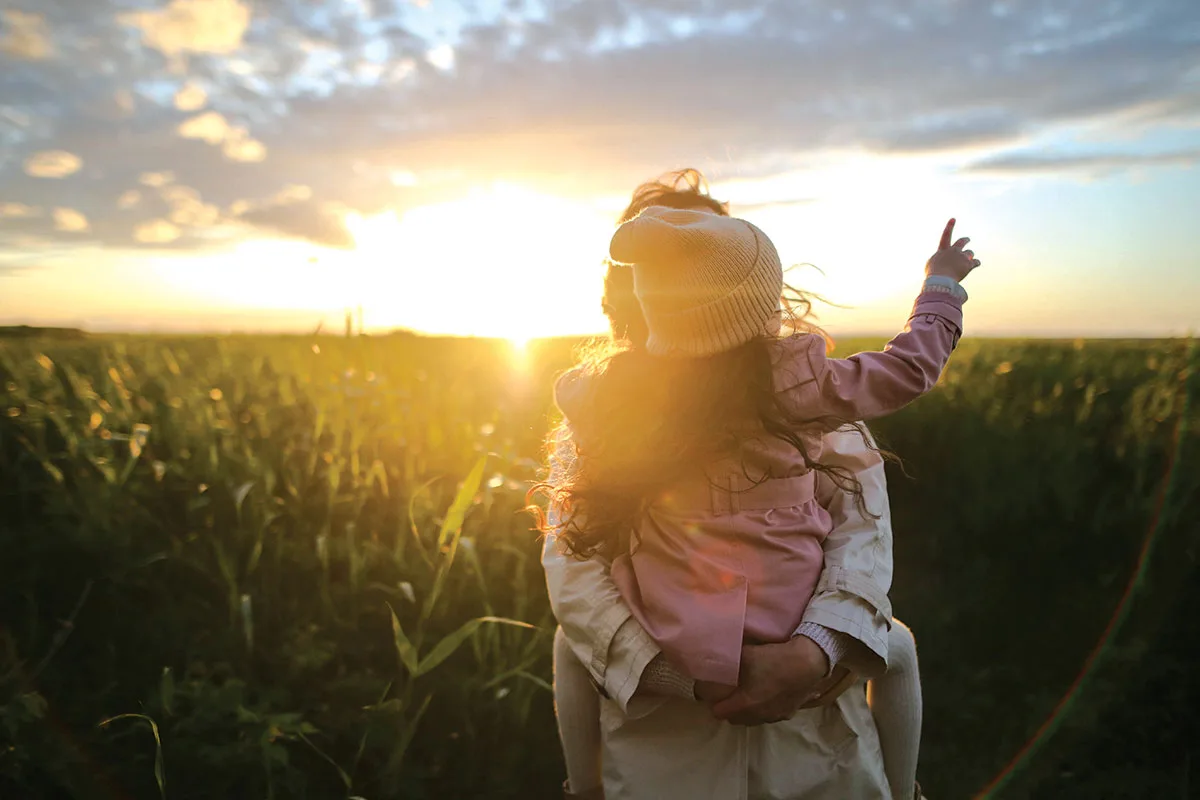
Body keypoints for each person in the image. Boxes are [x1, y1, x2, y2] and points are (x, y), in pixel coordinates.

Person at [540, 171, 974, 799]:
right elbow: (573, 568)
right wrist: (941, 289)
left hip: (813, 737)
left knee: (567, 650)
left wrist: (813, 651)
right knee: (897, 645)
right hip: (662, 737)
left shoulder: (609, 400)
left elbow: (861, 532)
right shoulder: (804, 388)